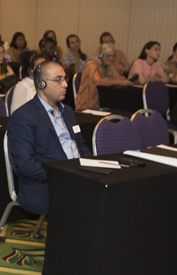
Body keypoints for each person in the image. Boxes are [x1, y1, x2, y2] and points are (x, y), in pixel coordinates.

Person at [7, 60, 90, 216]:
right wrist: (65, 173)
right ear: (42, 84)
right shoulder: (24, 116)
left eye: (65, 79)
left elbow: (81, 146)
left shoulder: (67, 111)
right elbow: (25, 165)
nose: (65, 84)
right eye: (58, 80)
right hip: (48, 185)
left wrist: (92, 168)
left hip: (78, 178)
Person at [77, 45, 135, 110]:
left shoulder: (109, 65)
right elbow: (98, 81)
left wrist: (128, 81)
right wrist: (119, 82)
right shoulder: (91, 65)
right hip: (88, 104)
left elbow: (119, 77)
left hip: (103, 100)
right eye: (108, 56)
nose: (111, 58)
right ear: (100, 55)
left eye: (113, 56)